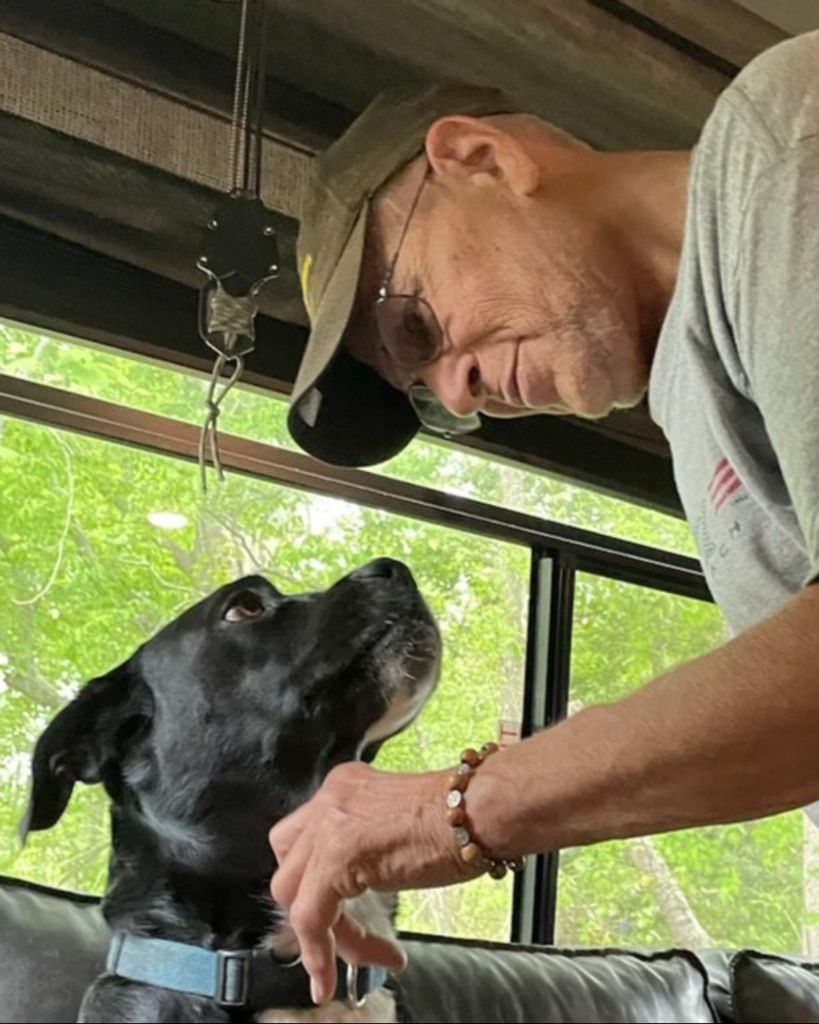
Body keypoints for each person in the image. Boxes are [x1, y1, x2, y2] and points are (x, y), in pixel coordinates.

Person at [271, 30, 819, 1005]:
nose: (459, 394)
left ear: (481, 159)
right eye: (425, 390)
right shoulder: (691, 411)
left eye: (415, 327)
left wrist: (453, 810)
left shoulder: (783, 137)